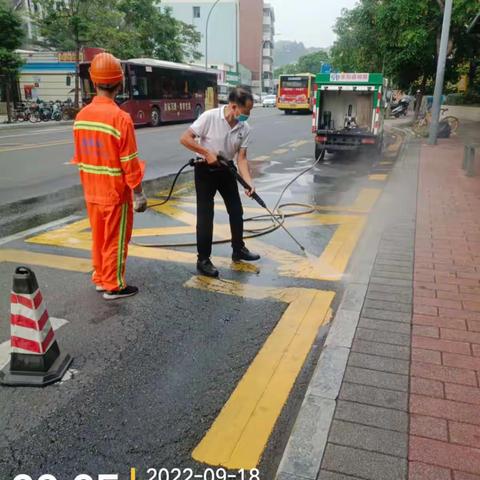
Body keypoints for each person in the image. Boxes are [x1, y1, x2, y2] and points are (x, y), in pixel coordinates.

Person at [72, 52, 147, 300]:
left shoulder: (81, 117)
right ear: (120, 82)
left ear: (94, 82)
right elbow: (129, 162)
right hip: (115, 193)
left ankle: (100, 278)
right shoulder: (121, 118)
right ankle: (113, 285)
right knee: (116, 239)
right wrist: (138, 194)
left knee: (100, 237)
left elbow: (80, 155)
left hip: (91, 191)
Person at [180, 86, 260, 278]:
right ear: (233, 107)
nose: (248, 114)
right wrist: (206, 152)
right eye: (246, 110)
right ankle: (203, 260)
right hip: (205, 170)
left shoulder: (244, 128)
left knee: (236, 209)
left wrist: (249, 183)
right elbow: (185, 138)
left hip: (226, 169)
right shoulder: (210, 117)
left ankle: (238, 249)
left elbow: (241, 158)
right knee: (206, 216)